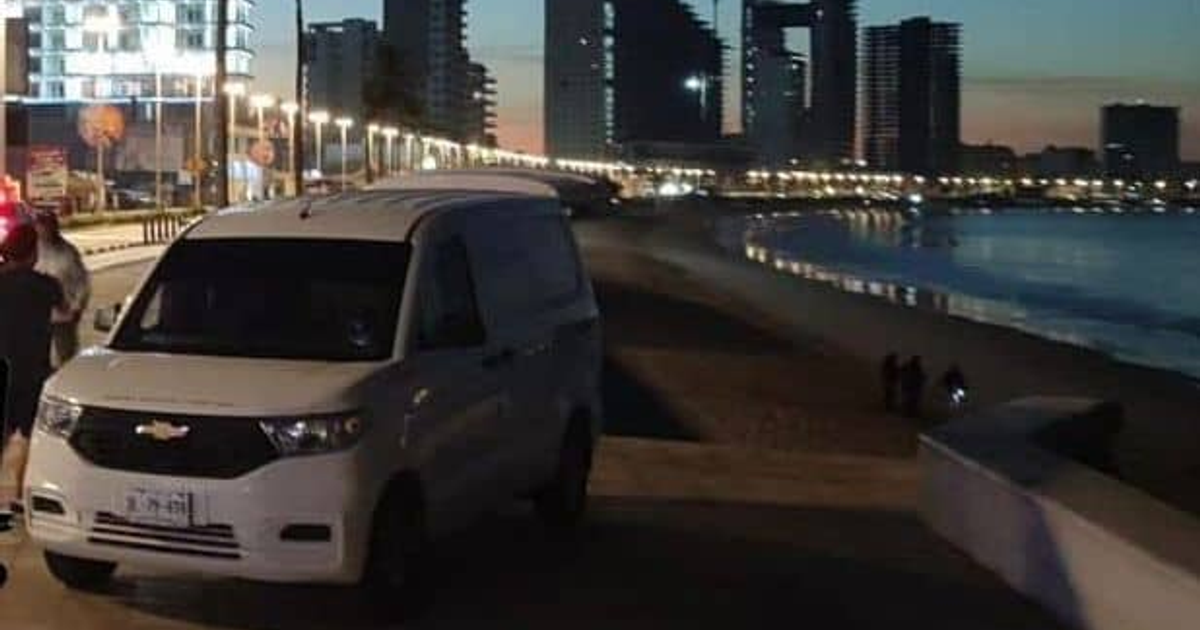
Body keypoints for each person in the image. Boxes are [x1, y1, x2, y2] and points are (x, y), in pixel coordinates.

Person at [0, 221, 66, 513]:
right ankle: (16, 492)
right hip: (32, 371)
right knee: (28, 434)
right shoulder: (46, 285)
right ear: (32, 253)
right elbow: (64, 312)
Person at [34, 210, 90, 368]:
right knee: (38, 360)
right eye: (41, 226)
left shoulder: (68, 252)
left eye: (49, 225)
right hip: (37, 317)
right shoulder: (32, 251)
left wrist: (78, 306)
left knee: (66, 359)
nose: (45, 230)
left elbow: (82, 282)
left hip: (63, 316)